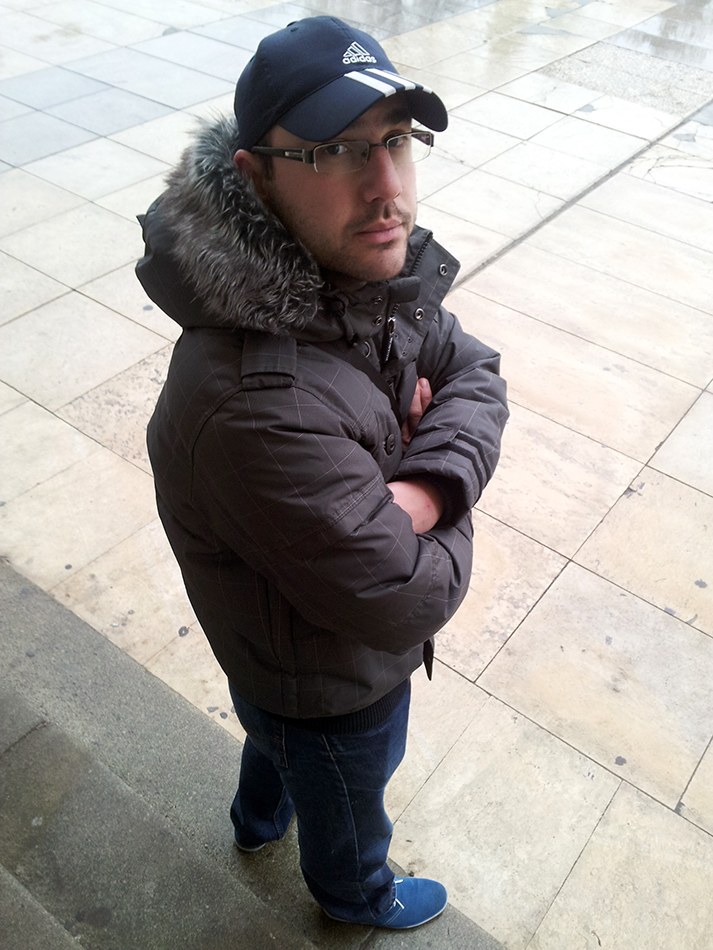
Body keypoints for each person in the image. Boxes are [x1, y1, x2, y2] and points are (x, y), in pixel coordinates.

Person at [137, 15, 508, 931]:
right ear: (254, 175)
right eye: (337, 150)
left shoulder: (358, 273)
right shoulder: (255, 402)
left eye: (395, 140)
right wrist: (434, 480)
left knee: (274, 745)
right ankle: (353, 897)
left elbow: (475, 369)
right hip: (331, 682)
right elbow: (406, 595)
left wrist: (420, 491)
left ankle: (255, 820)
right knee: (347, 794)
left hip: (278, 661)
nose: (386, 187)